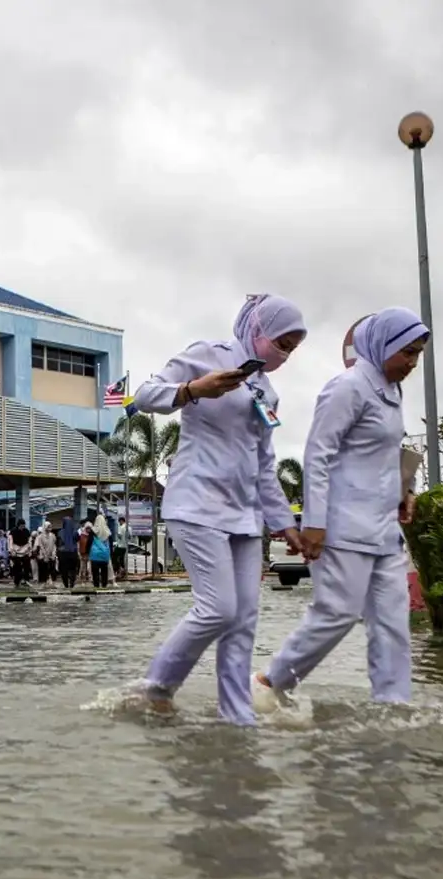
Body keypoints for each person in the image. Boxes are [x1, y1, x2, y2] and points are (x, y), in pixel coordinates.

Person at [131, 293, 306, 724]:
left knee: (244, 619)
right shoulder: (207, 355)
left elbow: (265, 464)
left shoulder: (267, 391)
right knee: (218, 607)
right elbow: (144, 394)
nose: (284, 353)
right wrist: (193, 390)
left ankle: (237, 715)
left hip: (245, 517)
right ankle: (157, 686)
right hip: (195, 504)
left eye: (293, 347)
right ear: (258, 330)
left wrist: (284, 523)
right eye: (281, 341)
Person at [255, 307, 430, 706]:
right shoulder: (347, 387)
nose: (412, 363)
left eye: (418, 354)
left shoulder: (392, 392)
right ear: (383, 345)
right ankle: (271, 682)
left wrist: (405, 491)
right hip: (343, 526)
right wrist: (315, 522)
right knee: (336, 614)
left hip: (384, 530)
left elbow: (383, 455)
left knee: (392, 623)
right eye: (407, 352)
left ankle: (393, 704)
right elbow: (319, 454)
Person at [8, 520, 32, 589]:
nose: (22, 527)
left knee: (27, 566)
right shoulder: (13, 531)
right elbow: (10, 542)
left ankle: (26, 580)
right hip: (16, 550)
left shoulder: (26, 531)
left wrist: (30, 550)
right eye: (21, 526)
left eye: (23, 526)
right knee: (17, 567)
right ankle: (17, 582)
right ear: (18, 525)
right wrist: (11, 550)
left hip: (24, 550)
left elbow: (29, 541)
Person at [59, 513, 81, 589]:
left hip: (63, 554)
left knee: (64, 570)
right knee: (73, 570)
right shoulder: (75, 532)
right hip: (73, 553)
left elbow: (59, 544)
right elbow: (78, 540)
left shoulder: (60, 532)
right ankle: (71, 585)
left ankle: (65, 585)